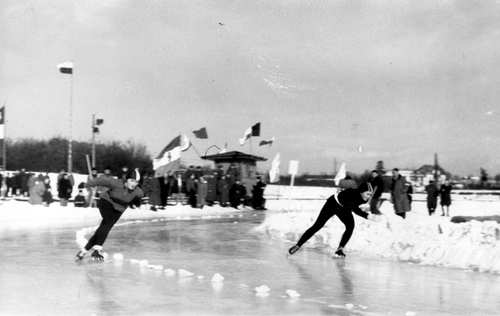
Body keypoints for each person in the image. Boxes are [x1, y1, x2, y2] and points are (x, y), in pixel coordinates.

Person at [288, 182, 380, 258]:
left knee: (350, 226)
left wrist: (368, 215)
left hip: (344, 208)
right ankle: (298, 245)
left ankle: (340, 249)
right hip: (332, 204)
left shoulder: (364, 199)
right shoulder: (350, 193)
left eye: (370, 195)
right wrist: (369, 216)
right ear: (361, 191)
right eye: (367, 194)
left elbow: (354, 207)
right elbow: (355, 209)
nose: (369, 196)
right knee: (318, 225)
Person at [75, 168, 144, 261]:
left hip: (119, 209)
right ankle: (97, 249)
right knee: (108, 223)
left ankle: (83, 251)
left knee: (102, 229)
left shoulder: (138, 192)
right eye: (132, 180)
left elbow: (138, 198)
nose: (134, 184)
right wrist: (86, 184)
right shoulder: (116, 183)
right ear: (126, 179)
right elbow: (101, 181)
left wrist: (137, 203)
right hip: (106, 202)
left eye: (136, 182)